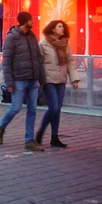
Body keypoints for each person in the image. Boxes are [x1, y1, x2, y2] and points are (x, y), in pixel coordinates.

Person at [0, 12, 46, 152]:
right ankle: (0, 127)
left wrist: (41, 78)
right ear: (25, 21)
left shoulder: (32, 36)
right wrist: (9, 82)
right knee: (15, 107)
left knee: (32, 110)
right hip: (19, 80)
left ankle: (29, 140)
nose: (33, 22)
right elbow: (6, 62)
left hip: (33, 79)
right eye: (31, 19)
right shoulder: (11, 37)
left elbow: (38, 58)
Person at [36, 20, 79, 148]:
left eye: (63, 27)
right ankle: (41, 131)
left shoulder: (65, 44)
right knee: (53, 107)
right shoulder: (43, 44)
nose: (62, 29)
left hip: (61, 80)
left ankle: (54, 137)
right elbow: (39, 63)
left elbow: (70, 61)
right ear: (52, 29)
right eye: (59, 27)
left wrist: (74, 78)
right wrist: (39, 81)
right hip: (48, 80)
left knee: (58, 109)